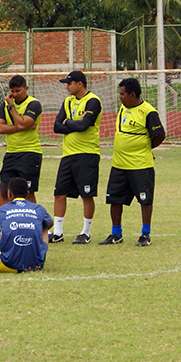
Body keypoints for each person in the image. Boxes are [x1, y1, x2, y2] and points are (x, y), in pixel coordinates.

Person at [99, 77, 165, 246]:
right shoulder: (123, 108)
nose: (120, 97)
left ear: (132, 94)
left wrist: (145, 149)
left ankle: (145, 234)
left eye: (122, 94)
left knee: (145, 200)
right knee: (114, 199)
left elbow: (160, 135)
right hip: (119, 165)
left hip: (140, 165)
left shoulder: (148, 111)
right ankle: (116, 234)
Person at [51, 71, 102, 244]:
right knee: (59, 193)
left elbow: (83, 126)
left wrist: (68, 122)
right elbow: (57, 126)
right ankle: (57, 233)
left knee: (86, 195)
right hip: (68, 155)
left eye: (69, 83)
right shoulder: (67, 102)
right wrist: (72, 123)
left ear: (80, 84)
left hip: (87, 154)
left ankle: (85, 233)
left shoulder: (93, 101)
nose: (67, 87)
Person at [0, 177, 53, 272]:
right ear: (27, 194)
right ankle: (36, 256)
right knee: (45, 225)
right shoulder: (38, 208)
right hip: (36, 265)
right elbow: (50, 223)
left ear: (9, 193)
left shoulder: (1, 210)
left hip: (8, 265)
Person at [0, 75, 43, 203]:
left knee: (28, 192)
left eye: (18, 91)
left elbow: (22, 123)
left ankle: (32, 221)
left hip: (29, 153)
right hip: (11, 154)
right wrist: (21, 127)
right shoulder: (4, 105)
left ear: (26, 88)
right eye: (12, 91)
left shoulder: (33, 104)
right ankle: (7, 219)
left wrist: (12, 108)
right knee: (5, 191)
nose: (15, 94)